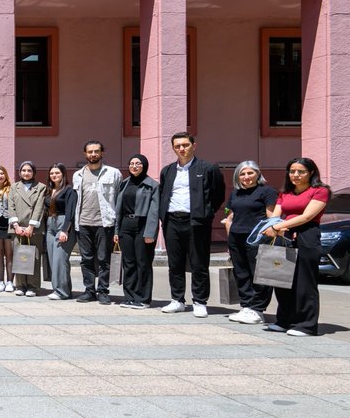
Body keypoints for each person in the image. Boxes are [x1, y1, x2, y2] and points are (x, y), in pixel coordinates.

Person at [158, 132, 226, 317]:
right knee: (175, 263)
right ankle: (177, 300)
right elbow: (163, 192)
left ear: (193, 145)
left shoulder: (207, 168)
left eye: (185, 145)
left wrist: (206, 213)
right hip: (172, 221)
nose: (182, 148)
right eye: (177, 146)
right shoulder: (168, 170)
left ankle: (199, 301)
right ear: (173, 148)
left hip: (197, 222)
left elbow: (218, 194)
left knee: (199, 262)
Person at [262, 157, 329, 337]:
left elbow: (307, 217)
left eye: (301, 171)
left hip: (307, 236)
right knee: (281, 280)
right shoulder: (285, 192)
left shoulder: (320, 191)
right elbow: (276, 215)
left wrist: (279, 226)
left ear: (311, 173)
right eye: (292, 171)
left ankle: (307, 325)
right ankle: (284, 321)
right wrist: (274, 226)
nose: (296, 175)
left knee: (304, 282)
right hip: (284, 236)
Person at [221, 161, 278, 325]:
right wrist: (229, 240)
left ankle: (258, 309)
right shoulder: (235, 193)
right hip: (236, 238)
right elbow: (230, 218)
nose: (246, 177)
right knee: (241, 274)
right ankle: (246, 306)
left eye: (250, 173)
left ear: (258, 174)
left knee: (259, 274)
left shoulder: (267, 191)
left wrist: (269, 237)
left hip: (257, 239)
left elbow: (271, 217)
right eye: (242, 174)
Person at [72, 140, 121, 305]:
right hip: (83, 222)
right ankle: (89, 290)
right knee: (86, 259)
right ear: (85, 154)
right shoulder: (77, 175)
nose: (93, 154)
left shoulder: (113, 173)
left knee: (103, 258)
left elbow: (118, 199)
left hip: (104, 223)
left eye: (96, 151)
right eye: (90, 151)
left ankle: (103, 291)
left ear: (102, 153)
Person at [111, 155, 160, 309]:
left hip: (143, 226)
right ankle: (129, 296)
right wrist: (116, 231)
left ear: (144, 165)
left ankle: (143, 298)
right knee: (129, 263)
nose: (134, 166)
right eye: (131, 163)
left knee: (143, 262)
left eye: (138, 163)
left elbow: (154, 210)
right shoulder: (124, 183)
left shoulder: (152, 185)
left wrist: (150, 233)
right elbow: (119, 209)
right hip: (126, 225)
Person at [9, 161, 47, 297]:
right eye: (23, 170)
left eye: (29, 170)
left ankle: (33, 286)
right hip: (17, 228)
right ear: (19, 172)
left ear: (34, 172)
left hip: (34, 229)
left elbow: (39, 207)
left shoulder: (41, 187)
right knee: (20, 256)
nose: (26, 173)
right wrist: (16, 226)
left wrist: (31, 226)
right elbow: (11, 206)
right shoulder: (14, 187)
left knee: (34, 257)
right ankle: (20, 285)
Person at [44, 164, 77, 300]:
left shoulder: (69, 190)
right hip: (50, 224)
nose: (54, 175)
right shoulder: (49, 190)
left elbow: (71, 211)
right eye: (52, 173)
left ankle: (61, 291)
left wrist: (65, 230)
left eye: (57, 173)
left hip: (63, 224)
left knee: (60, 259)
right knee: (53, 259)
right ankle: (62, 289)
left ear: (63, 174)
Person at [0, 165, 15, 292]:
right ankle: (0, 281)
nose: (0, 176)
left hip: (9, 225)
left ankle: (10, 281)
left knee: (10, 254)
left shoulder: (12, 189)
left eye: (2, 173)